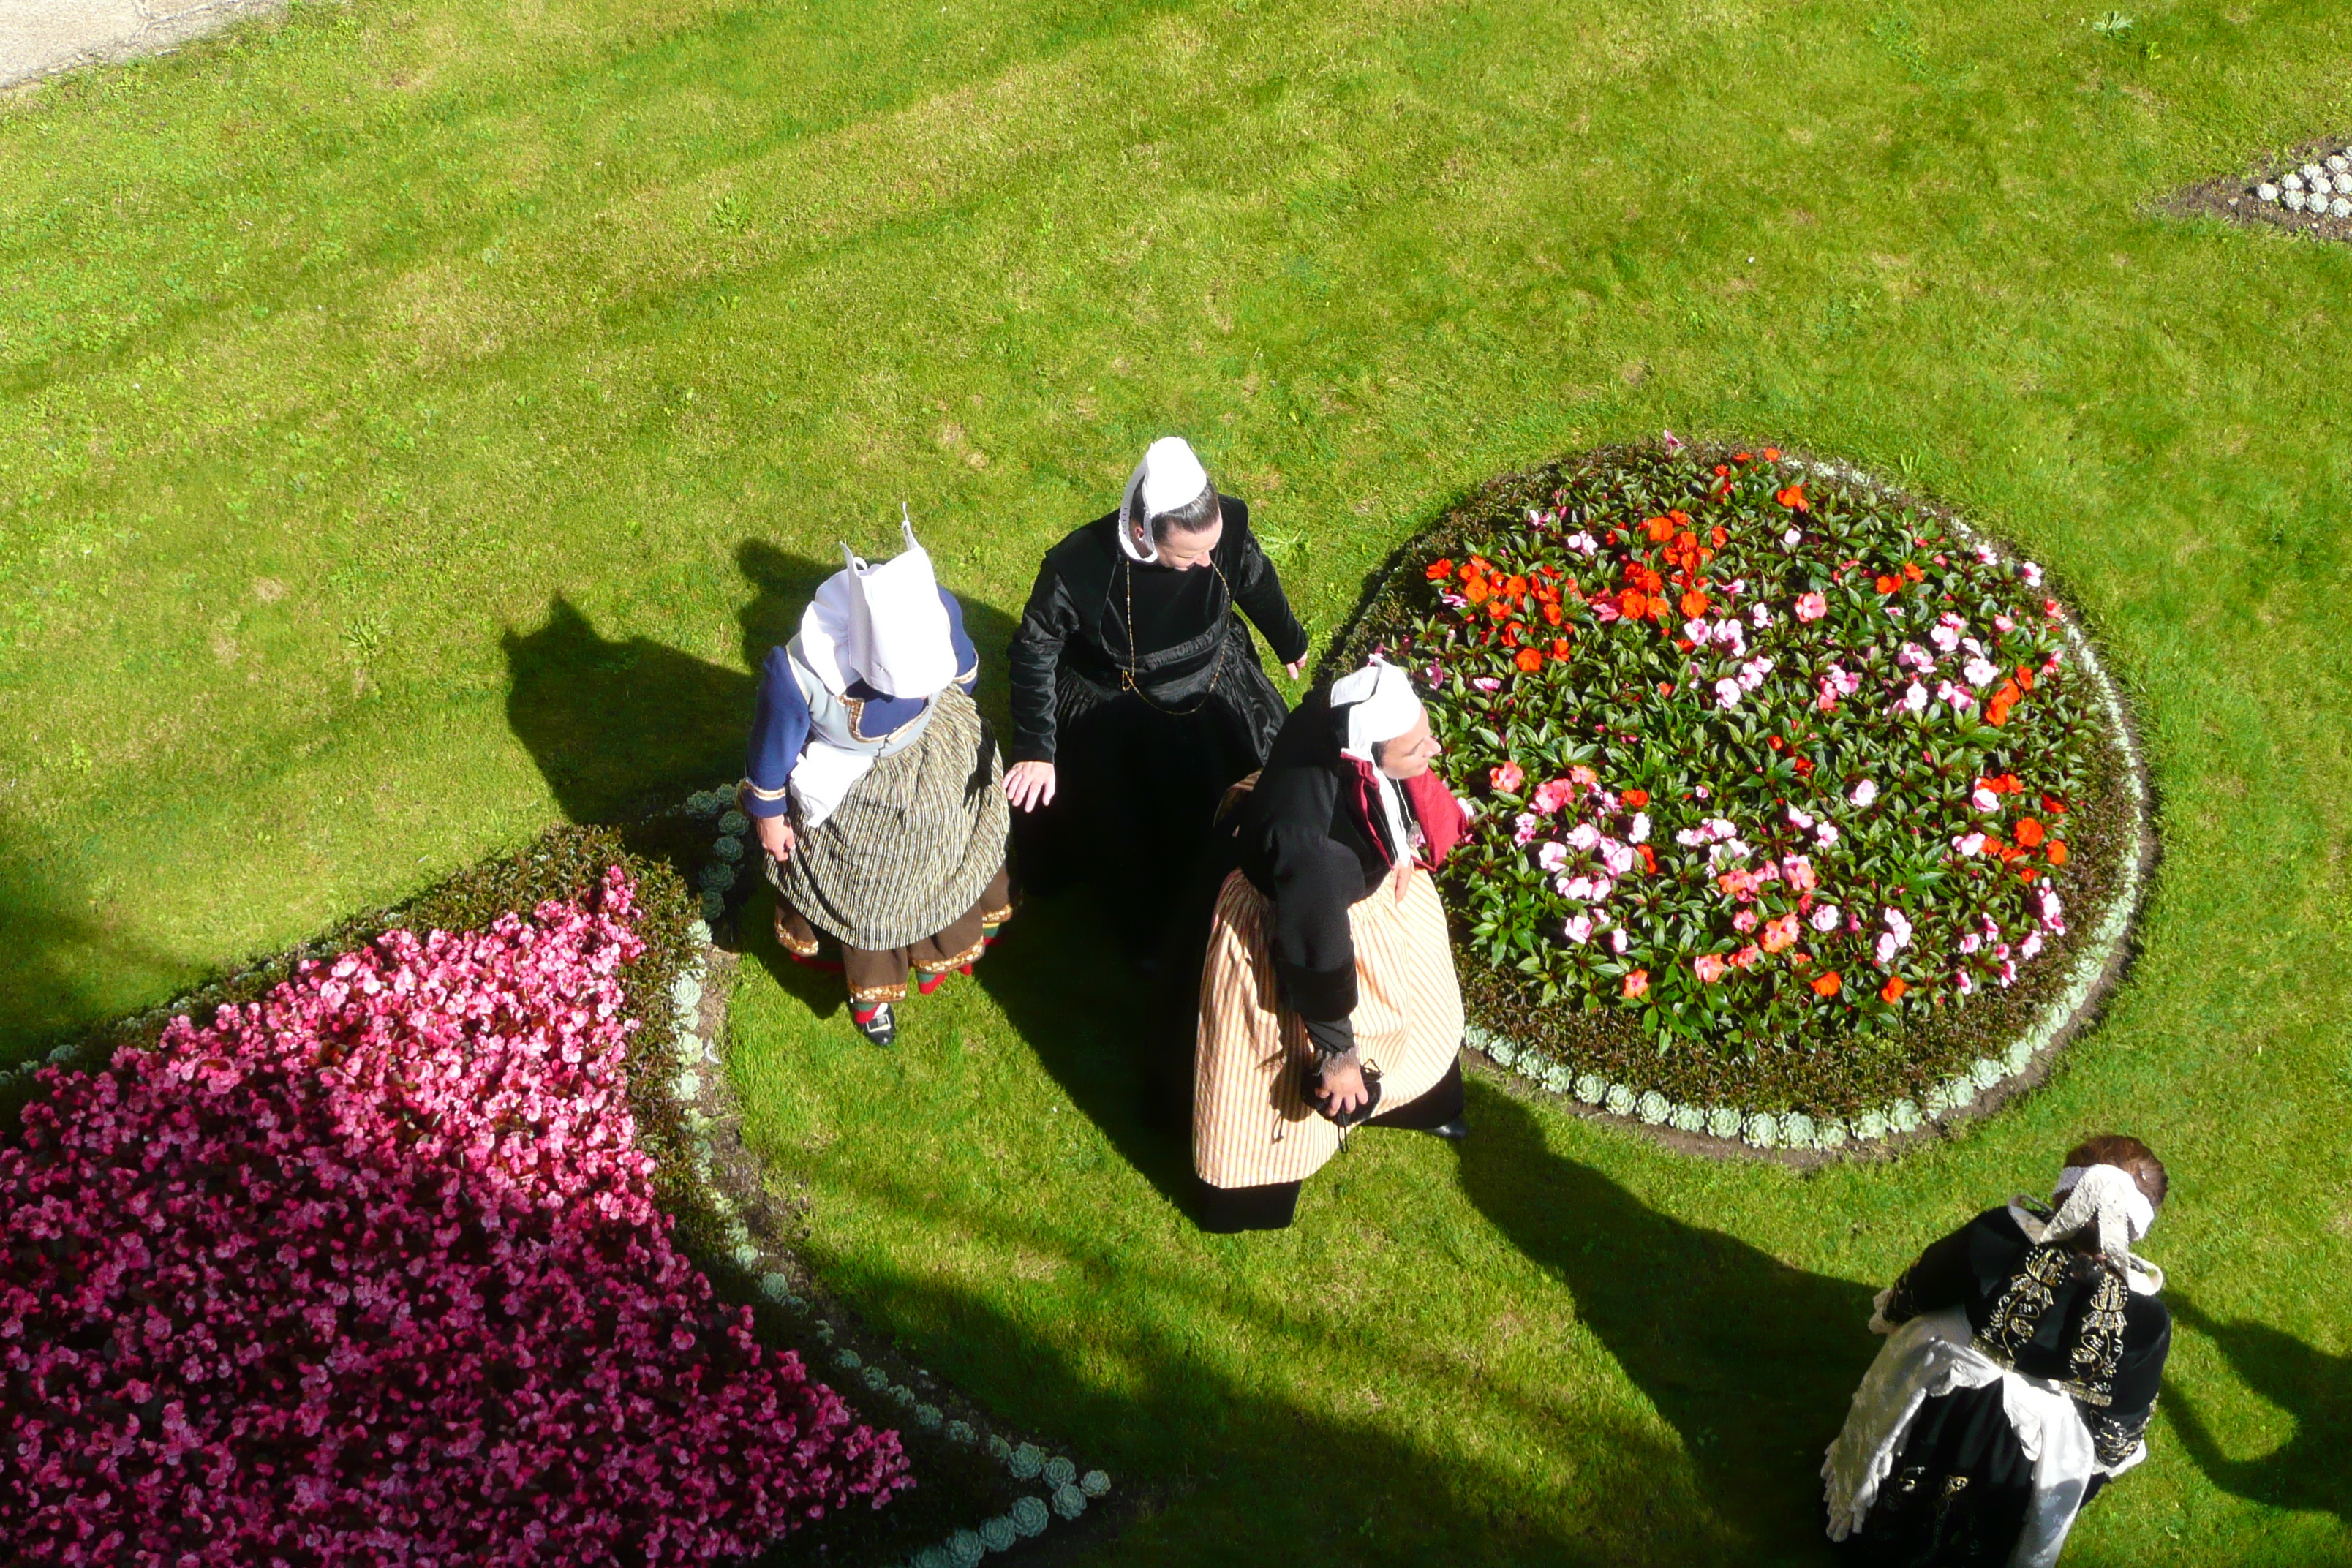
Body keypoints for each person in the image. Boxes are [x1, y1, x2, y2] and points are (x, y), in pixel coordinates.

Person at [1191, 656, 1472, 1233]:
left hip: (1353, 896)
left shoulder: (1339, 707)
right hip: (1303, 927)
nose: (1433, 751)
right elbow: (1314, 955)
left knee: (1422, 1014)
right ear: (1366, 756)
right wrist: (1339, 1057)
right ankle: (1252, 1197)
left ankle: (1423, 1103)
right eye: (1416, 748)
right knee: (1267, 1073)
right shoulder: (1312, 846)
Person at [1004, 436, 1310, 961]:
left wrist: (1288, 638)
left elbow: (1254, 578)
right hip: (1123, 712)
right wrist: (1036, 745)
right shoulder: (1080, 568)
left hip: (1217, 685)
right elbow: (1034, 649)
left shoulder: (1225, 531)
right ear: (1144, 533)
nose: (1205, 562)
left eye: (1212, 547)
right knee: (1146, 841)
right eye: (1190, 554)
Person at [1823, 1135, 2174, 1568]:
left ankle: (1875, 1539)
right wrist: (2107, 1458)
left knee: (1907, 1473)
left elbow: (1926, 1283)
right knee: (1983, 1525)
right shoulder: (2144, 1314)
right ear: (2138, 1225)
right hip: (2025, 1446)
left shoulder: (1997, 1233)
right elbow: (2123, 1417)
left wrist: (1894, 1314)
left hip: (1945, 1391)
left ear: (2063, 1191)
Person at [739, 516, 1011, 1047]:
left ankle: (946, 942)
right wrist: (770, 819)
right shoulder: (797, 674)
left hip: (934, 755)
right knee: (870, 894)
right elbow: (770, 751)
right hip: (848, 793)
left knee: (949, 846)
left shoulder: (936, 607)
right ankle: (873, 993)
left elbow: (963, 673)